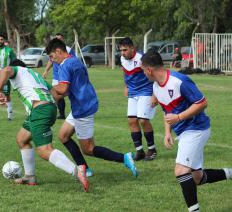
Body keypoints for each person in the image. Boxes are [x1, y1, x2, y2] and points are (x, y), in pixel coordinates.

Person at [141, 50, 232, 212]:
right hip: (183, 133)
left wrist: (179, 117)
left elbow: (202, 103)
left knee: (181, 171)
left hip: (197, 129)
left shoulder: (178, 81)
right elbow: (167, 111)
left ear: (149, 69)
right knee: (198, 178)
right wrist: (168, 132)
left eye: (142, 69)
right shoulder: (156, 87)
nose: (143, 73)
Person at [46, 38, 137, 177]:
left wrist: (46, 89)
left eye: (52, 56)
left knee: (88, 149)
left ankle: (124, 158)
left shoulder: (65, 65)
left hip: (82, 108)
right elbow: (67, 90)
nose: (52, 60)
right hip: (84, 103)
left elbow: (63, 89)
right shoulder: (74, 60)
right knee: (63, 136)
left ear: (58, 51)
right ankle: (85, 169)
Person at [0, 59, 89, 192]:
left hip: (40, 110)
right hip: (47, 108)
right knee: (22, 139)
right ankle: (30, 177)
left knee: (44, 150)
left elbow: (5, 70)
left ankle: (77, 171)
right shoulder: (36, 76)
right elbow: (56, 95)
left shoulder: (17, 70)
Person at [119, 37, 157, 161]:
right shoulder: (122, 59)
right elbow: (125, 72)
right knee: (131, 121)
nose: (123, 53)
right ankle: (139, 151)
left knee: (143, 120)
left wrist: (154, 95)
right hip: (133, 93)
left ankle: (152, 149)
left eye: (125, 50)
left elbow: (154, 74)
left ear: (132, 48)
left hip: (146, 91)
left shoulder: (142, 58)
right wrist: (126, 86)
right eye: (121, 50)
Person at [43, 33, 75, 119]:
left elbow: (73, 59)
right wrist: (46, 70)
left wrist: (45, 90)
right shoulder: (54, 53)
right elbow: (50, 61)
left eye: (60, 38)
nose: (52, 59)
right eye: (56, 38)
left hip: (66, 75)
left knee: (62, 93)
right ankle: (61, 114)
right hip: (56, 76)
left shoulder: (68, 53)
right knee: (58, 95)